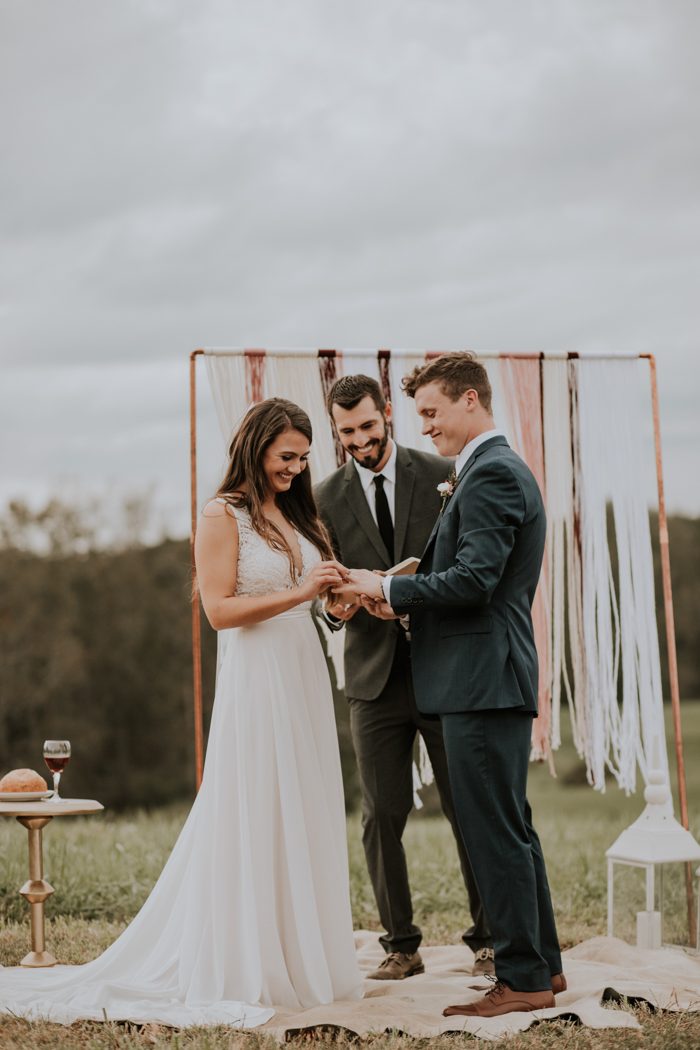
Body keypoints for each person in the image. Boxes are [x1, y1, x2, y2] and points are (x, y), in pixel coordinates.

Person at [0, 398, 363, 1027]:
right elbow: (219, 612)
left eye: (304, 459)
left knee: (301, 805)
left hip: (302, 670)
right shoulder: (222, 514)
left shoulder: (300, 514)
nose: (296, 469)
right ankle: (247, 961)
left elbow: (308, 602)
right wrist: (301, 591)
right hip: (257, 678)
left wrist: (334, 604)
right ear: (254, 447)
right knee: (256, 803)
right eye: (286, 457)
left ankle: (304, 958)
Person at [334, 354, 565, 1018]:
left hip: (480, 682)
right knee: (512, 828)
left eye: (431, 412)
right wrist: (403, 590)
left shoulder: (490, 474)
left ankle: (519, 977)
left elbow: (474, 581)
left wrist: (385, 586)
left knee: (493, 831)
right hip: (487, 679)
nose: (425, 426)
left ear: (470, 400)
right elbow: (468, 574)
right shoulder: (490, 469)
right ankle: (542, 968)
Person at [314, 374, 493, 981]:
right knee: (381, 812)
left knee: (466, 804)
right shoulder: (323, 497)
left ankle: (489, 938)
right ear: (335, 433)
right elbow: (325, 591)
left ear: (387, 412)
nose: (361, 441)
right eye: (347, 433)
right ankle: (401, 944)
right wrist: (337, 607)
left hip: (444, 666)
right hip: (372, 678)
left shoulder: (442, 470)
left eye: (368, 426)